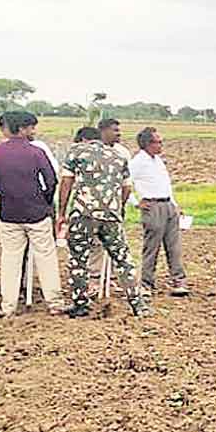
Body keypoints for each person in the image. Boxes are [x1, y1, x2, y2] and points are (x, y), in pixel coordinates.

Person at [56, 129, 148, 318]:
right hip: (111, 216)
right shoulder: (118, 156)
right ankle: (138, 304)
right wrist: (118, 208)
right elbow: (126, 188)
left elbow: (66, 182)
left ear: (84, 140)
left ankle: (81, 304)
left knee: (79, 259)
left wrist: (61, 213)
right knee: (122, 259)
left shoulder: (76, 151)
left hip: (84, 214)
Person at [0, 111, 64, 317]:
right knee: (46, 256)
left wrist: (7, 197)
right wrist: (45, 201)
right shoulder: (36, 152)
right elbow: (51, 181)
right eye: (30, 127)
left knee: (10, 258)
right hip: (37, 212)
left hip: (9, 212)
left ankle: (8, 306)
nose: (33, 131)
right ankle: (54, 303)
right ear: (21, 129)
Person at [129, 126, 189, 296]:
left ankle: (179, 281)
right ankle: (146, 283)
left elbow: (165, 185)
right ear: (148, 144)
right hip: (152, 206)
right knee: (152, 246)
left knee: (174, 246)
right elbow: (124, 183)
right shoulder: (138, 162)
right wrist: (135, 202)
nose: (161, 145)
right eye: (158, 142)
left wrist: (175, 204)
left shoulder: (158, 161)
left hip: (167, 205)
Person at [88, 118, 133, 292]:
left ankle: (112, 278)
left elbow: (127, 183)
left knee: (116, 243)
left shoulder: (123, 153)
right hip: (94, 208)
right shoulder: (91, 152)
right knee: (96, 244)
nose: (119, 133)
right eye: (115, 130)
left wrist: (121, 205)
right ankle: (94, 279)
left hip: (115, 208)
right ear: (103, 131)